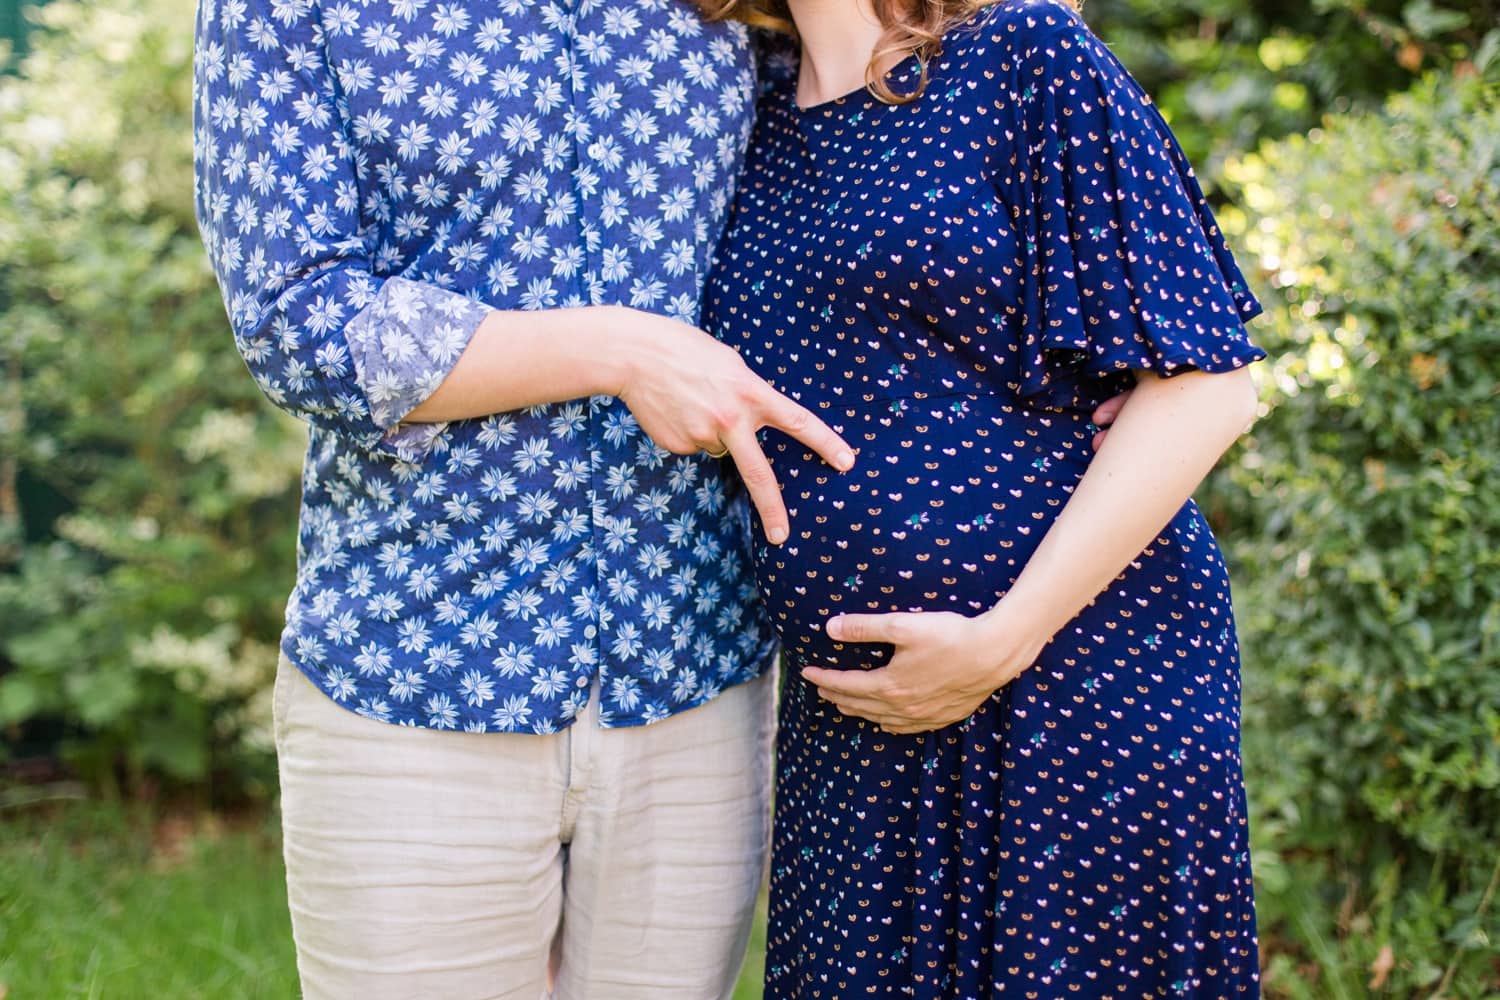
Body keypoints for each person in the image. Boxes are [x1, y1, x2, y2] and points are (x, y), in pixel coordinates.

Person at [190, 2, 865, 997]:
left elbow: (858, 163)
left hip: (691, 661)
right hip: (416, 664)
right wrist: (617, 350)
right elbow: (297, 317)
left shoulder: (731, 6)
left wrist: (1050, 372)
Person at [702, 0, 1266, 995]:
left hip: (1080, 684)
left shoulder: (1021, 54)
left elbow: (1209, 386)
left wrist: (1005, 635)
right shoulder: (741, 110)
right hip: (859, 728)